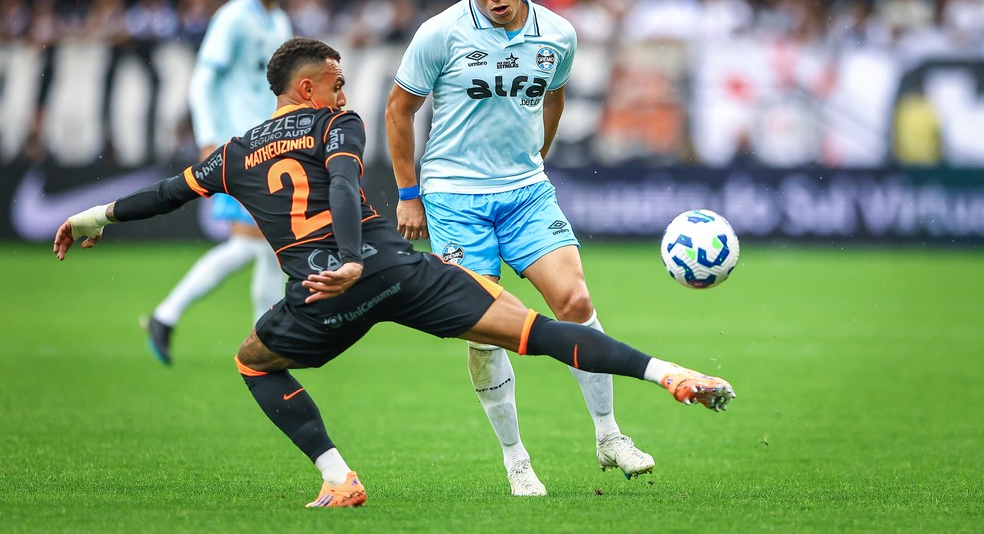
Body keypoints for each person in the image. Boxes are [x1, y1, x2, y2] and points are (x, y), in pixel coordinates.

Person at [53, 36, 736, 509]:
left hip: (324, 293)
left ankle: (338, 477)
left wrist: (98, 215)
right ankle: (670, 374)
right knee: (540, 330)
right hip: (395, 268)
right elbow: (347, 188)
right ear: (309, 87)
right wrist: (355, 254)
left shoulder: (232, 155)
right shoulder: (334, 124)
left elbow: (167, 193)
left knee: (255, 363)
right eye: (338, 82)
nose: (345, 91)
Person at [384, 0, 651, 496]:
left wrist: (539, 158)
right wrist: (408, 194)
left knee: (576, 301)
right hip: (455, 198)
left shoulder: (558, 33)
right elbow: (397, 111)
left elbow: (553, 96)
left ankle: (608, 436)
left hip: (526, 192)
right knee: (484, 330)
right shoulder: (440, 34)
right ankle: (516, 459)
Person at [142, 0, 294, 365]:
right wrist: (208, 138)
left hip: (267, 150)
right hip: (234, 148)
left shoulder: (279, 22)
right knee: (252, 244)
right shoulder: (233, 19)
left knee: (267, 244)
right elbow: (202, 81)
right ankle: (168, 315)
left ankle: (266, 337)